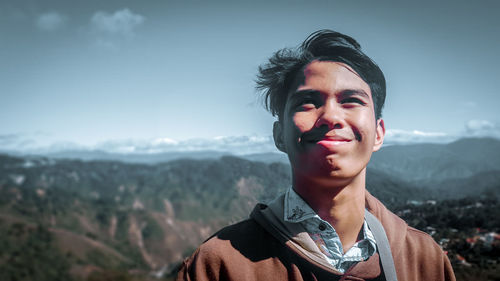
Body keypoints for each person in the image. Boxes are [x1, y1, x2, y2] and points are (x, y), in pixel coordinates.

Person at [176, 30, 456, 281]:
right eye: (307, 102)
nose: (331, 117)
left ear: (379, 133)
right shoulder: (217, 267)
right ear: (280, 135)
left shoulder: (424, 260)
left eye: (351, 101)